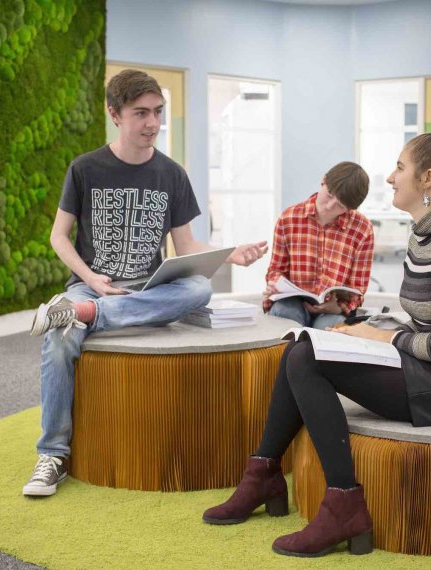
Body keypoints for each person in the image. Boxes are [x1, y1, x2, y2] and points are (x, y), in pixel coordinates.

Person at [202, 131, 431, 558]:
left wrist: (380, 336)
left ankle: (343, 502)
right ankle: (264, 473)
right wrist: (368, 331)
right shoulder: (424, 235)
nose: (389, 178)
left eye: (400, 168)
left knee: (309, 358)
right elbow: (424, 321)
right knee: (305, 343)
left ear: (428, 179)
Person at [22, 69, 267, 497]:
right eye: (141, 113)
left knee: (200, 289)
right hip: (91, 285)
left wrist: (228, 253)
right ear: (114, 114)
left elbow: (185, 244)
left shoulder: (171, 174)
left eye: (158, 112)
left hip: (150, 289)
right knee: (60, 339)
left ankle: (89, 316)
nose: (153, 123)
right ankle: (53, 456)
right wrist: (90, 279)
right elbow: (58, 237)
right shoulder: (84, 169)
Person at [263, 162, 374, 330]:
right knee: (285, 315)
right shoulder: (289, 218)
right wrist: (274, 285)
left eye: (340, 205)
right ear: (323, 181)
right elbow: (276, 270)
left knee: (328, 329)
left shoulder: (362, 229)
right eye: (329, 195)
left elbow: (357, 289)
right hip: (292, 302)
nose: (330, 206)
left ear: (350, 208)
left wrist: (340, 307)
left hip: (333, 310)